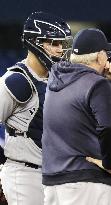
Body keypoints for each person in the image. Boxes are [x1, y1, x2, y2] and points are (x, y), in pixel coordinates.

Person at [42, 28, 111, 205]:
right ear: (100, 56)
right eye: (106, 53)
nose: (108, 58)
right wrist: (110, 163)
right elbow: (107, 126)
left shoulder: (56, 77)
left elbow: (83, 113)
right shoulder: (97, 84)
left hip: (52, 182)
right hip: (85, 180)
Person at [0, 11, 72, 205]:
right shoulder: (17, 81)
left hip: (53, 175)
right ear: (35, 42)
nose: (59, 49)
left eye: (61, 44)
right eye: (54, 43)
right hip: (24, 175)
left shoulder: (56, 79)